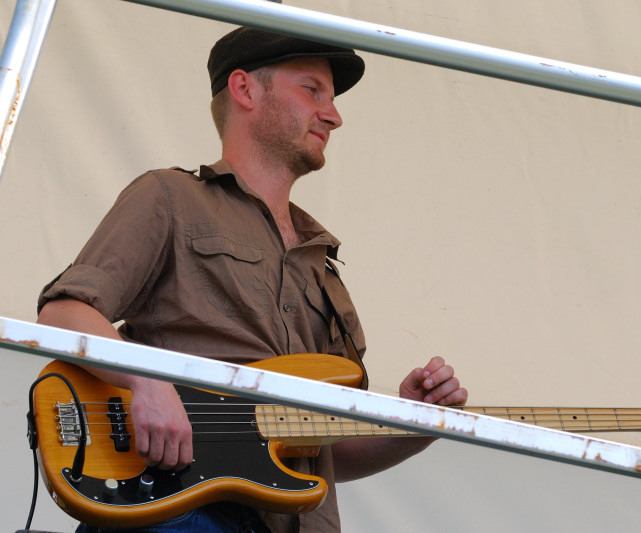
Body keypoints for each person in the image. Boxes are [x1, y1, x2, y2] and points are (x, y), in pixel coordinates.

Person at [36, 27, 468, 533]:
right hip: (177, 510)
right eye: (312, 90)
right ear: (244, 89)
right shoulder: (170, 197)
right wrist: (143, 379)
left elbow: (325, 450)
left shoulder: (321, 266)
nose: (334, 115)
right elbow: (62, 314)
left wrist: (415, 425)